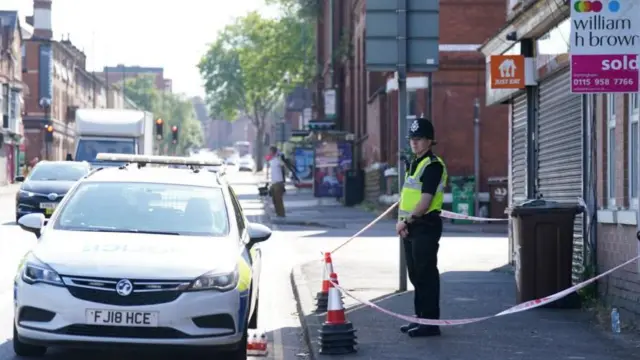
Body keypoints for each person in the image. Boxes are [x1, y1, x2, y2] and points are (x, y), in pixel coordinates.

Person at [395, 117, 447, 338]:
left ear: (430, 140)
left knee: (426, 275)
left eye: (419, 139)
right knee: (416, 275)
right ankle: (420, 318)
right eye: (412, 139)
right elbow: (408, 198)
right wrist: (405, 224)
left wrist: (406, 222)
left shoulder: (433, 165)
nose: (414, 143)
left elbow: (425, 201)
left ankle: (430, 323)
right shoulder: (414, 163)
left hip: (425, 226)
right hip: (411, 227)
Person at [267, 146, 298, 217]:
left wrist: (279, 154)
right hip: (273, 183)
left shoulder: (278, 160)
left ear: (273, 152)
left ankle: (281, 214)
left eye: (270, 151)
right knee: (274, 200)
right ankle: (278, 213)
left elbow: (284, 165)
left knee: (278, 200)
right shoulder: (272, 160)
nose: (269, 153)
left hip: (279, 182)